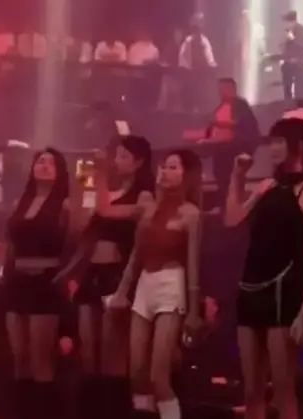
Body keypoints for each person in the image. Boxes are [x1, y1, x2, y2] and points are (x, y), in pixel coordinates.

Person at [225, 115, 303, 419]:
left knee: (283, 389)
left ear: (298, 146)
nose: (273, 148)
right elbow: (231, 219)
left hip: (284, 290)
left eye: (280, 141)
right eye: (271, 142)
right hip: (251, 286)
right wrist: (237, 176)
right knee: (251, 390)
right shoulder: (266, 185)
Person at [56, 136, 155, 419]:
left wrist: (98, 175)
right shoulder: (109, 191)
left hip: (118, 275)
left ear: (139, 162)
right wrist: (79, 191)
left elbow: (106, 211)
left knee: (114, 354)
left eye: (124, 156)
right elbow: (82, 225)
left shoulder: (144, 196)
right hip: (93, 273)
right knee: (89, 352)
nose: (117, 162)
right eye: (116, 156)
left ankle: (114, 411)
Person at [108, 149, 204, 419]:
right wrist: (121, 291)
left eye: (173, 167)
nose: (165, 172)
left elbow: (193, 263)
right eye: (163, 166)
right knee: (137, 372)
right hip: (145, 284)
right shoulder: (148, 208)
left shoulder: (191, 213)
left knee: (158, 376)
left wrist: (193, 311)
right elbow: (136, 255)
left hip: (171, 284)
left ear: (185, 175)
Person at [3, 147, 78, 419]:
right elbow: (10, 245)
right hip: (17, 281)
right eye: (40, 161)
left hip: (46, 281)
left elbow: (76, 244)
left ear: (59, 171)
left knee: (40, 358)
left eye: (50, 163)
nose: (44, 166)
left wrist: (66, 277)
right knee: (19, 355)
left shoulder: (66, 205)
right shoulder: (19, 203)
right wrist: (4, 273)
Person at [184, 78, 260, 209]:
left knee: (229, 175)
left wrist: (215, 123)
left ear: (232, 89)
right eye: (219, 90)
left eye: (223, 89)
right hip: (225, 147)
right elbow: (215, 129)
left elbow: (237, 123)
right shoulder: (222, 106)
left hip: (238, 146)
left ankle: (231, 204)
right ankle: (225, 203)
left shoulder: (239, 104)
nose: (220, 92)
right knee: (221, 173)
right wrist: (201, 136)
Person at [281, 11, 303, 100]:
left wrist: (293, 38)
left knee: (300, 87)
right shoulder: (287, 31)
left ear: (293, 21)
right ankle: (288, 102)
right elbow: (285, 47)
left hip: (299, 62)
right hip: (288, 63)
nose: (286, 25)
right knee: (287, 86)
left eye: (287, 22)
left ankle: (300, 103)